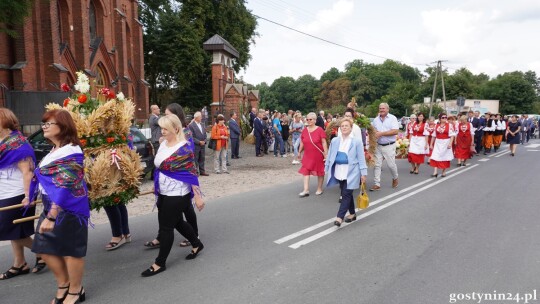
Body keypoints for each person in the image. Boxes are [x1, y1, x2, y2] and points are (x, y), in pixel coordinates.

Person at [28, 109, 89, 304]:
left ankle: (76, 290)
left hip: (67, 207)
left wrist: (52, 215)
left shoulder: (72, 150)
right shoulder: (55, 150)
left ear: (62, 126)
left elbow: (65, 185)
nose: (43, 127)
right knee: (43, 247)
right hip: (51, 204)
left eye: (48, 123)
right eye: (43, 123)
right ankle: (63, 284)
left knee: (71, 251)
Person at [142, 115, 204, 277]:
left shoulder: (184, 148)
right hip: (163, 191)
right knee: (177, 222)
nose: (161, 132)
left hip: (178, 194)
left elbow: (192, 174)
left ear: (176, 129)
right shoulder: (163, 144)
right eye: (161, 128)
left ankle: (159, 263)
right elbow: (159, 167)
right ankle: (197, 244)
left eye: (165, 129)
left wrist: (197, 196)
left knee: (166, 227)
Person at [145, 102, 200, 249]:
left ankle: (194, 235)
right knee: (165, 211)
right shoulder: (166, 134)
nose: (165, 117)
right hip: (165, 179)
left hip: (181, 178)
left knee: (187, 209)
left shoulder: (186, 132)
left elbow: (187, 157)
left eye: (169, 115)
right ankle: (162, 235)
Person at [0, 109, 46, 280]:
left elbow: (27, 172)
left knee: (7, 229)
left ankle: (42, 251)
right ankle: (20, 263)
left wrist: (28, 196)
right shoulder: (2, 142)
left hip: (18, 192)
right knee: (16, 230)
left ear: (5, 121)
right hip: (3, 192)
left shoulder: (17, 143)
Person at [325, 118, 368, 227]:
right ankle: (352, 214)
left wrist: (363, 173)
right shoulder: (335, 141)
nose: (344, 127)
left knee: (346, 194)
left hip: (352, 172)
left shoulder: (356, 142)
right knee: (346, 193)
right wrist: (327, 168)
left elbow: (361, 158)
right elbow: (330, 155)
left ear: (351, 128)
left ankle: (339, 217)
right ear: (340, 128)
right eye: (342, 126)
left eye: (346, 126)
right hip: (339, 171)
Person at [370, 103, 400, 191]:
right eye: (380, 108)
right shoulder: (375, 120)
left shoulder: (392, 118)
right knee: (377, 165)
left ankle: (395, 177)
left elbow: (395, 131)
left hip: (389, 145)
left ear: (388, 109)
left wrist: (381, 133)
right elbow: (373, 131)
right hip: (378, 145)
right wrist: (374, 134)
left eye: (383, 108)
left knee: (391, 165)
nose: (381, 110)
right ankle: (377, 183)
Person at [298, 112, 328, 197]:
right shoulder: (304, 130)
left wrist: (325, 154)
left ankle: (319, 188)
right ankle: (306, 189)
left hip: (318, 154)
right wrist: (299, 152)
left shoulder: (320, 130)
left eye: (310, 119)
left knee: (320, 171)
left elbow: (324, 142)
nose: (308, 121)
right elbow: (302, 142)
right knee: (305, 170)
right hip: (307, 154)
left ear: (315, 120)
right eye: (307, 119)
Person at [429, 113, 455, 177]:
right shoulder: (436, 126)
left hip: (446, 142)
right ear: (440, 119)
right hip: (438, 142)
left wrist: (450, 144)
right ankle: (435, 172)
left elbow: (452, 135)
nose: (444, 119)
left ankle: (444, 171)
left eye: (445, 117)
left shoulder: (449, 125)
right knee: (436, 156)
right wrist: (431, 144)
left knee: (445, 157)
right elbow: (433, 136)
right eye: (443, 117)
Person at [188, 111, 208, 176]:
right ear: (196, 117)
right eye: (200, 117)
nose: (201, 118)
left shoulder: (202, 124)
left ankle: (202, 171)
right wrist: (199, 142)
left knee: (202, 158)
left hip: (202, 145)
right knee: (195, 158)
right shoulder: (191, 125)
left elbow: (205, 134)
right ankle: (195, 171)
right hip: (196, 145)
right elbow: (191, 136)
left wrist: (204, 141)